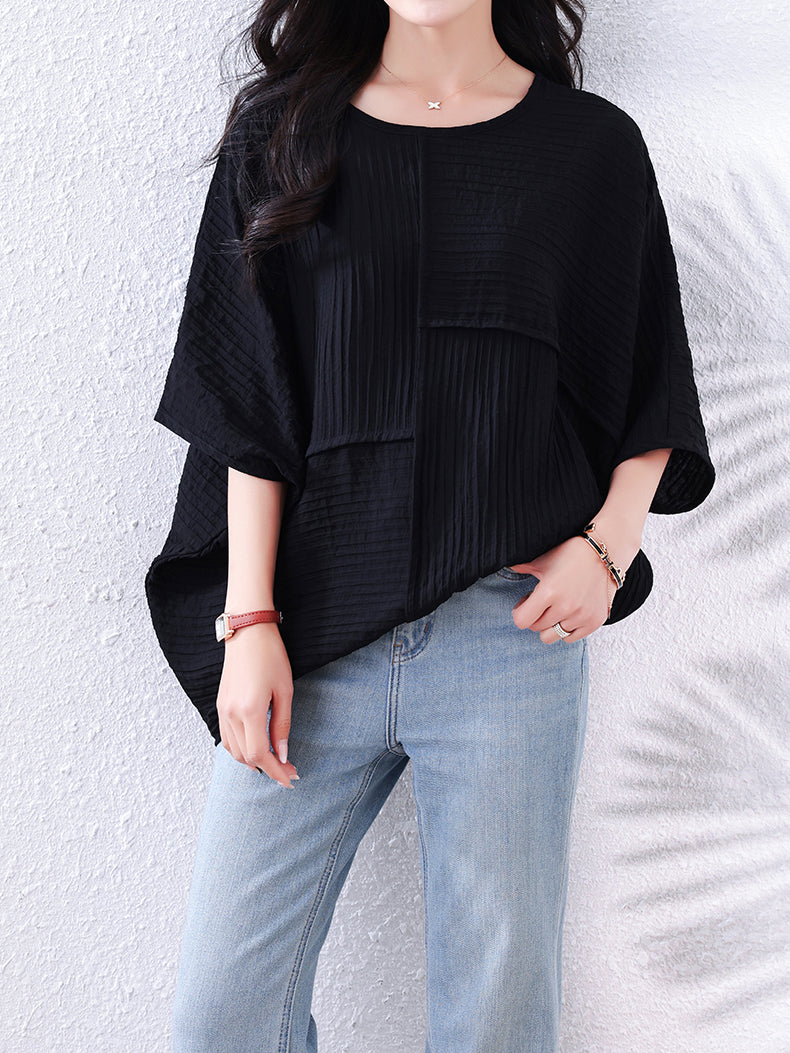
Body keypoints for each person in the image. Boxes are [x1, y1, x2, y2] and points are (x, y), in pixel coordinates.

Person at [145, 1, 716, 1050]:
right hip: (309, 636)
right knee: (222, 1018)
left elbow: (650, 377)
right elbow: (244, 400)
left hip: (507, 639)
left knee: (494, 1022)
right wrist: (249, 618)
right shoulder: (281, 133)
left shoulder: (590, 149)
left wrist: (608, 548)